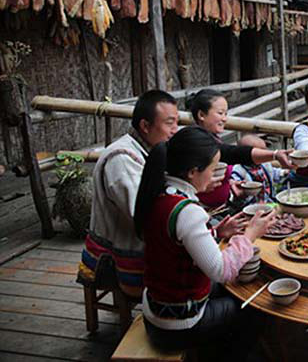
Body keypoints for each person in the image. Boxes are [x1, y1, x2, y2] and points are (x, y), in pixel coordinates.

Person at [133, 126, 276, 355]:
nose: (214, 176)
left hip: (156, 308)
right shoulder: (187, 211)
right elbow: (222, 271)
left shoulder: (160, 192)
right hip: (177, 326)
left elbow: (178, 244)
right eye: (212, 169)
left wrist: (217, 233)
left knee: (236, 289)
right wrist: (251, 233)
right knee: (255, 307)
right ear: (192, 172)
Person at [81, 90, 179, 299]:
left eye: (177, 123)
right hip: (116, 259)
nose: (175, 130)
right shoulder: (121, 159)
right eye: (169, 123)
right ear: (145, 126)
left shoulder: (151, 149)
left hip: (135, 247)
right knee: (196, 269)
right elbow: (142, 216)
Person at [186, 89, 295, 208]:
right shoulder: (195, 143)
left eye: (226, 114)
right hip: (201, 208)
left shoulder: (213, 139)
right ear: (201, 115)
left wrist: (230, 184)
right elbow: (233, 153)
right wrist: (275, 155)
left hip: (219, 207)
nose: (224, 119)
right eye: (220, 113)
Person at [230, 134, 288, 206]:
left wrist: (284, 172)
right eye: (261, 152)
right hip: (250, 206)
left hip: (269, 201)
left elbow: (272, 172)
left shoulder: (264, 164)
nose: (265, 154)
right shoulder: (238, 171)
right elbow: (236, 190)